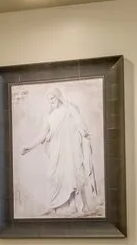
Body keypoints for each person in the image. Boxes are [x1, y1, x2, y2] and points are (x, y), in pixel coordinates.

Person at [18, 85, 99, 217]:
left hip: (69, 151)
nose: (51, 101)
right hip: (56, 151)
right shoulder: (50, 116)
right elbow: (42, 134)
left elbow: (79, 123)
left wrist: (83, 133)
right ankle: (56, 206)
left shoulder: (69, 109)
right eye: (48, 99)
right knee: (54, 177)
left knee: (72, 176)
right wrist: (29, 147)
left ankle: (75, 206)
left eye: (52, 98)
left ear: (58, 96)